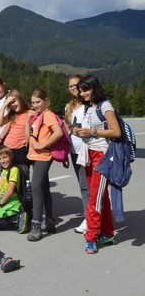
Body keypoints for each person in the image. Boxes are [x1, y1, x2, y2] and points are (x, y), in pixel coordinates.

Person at [72, 75, 121, 254]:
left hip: (102, 155)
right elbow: (91, 131)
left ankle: (91, 237)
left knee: (95, 197)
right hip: (88, 153)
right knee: (101, 196)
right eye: (81, 90)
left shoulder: (105, 105)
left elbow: (116, 131)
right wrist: (80, 132)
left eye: (86, 90)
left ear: (94, 88)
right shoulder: (88, 107)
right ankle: (107, 233)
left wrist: (91, 131)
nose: (83, 94)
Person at [26, 88, 63, 241]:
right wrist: (28, 122)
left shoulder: (47, 115)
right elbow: (28, 138)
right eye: (33, 102)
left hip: (43, 155)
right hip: (36, 155)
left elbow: (58, 132)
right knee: (43, 187)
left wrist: (43, 145)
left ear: (46, 101)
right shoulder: (38, 116)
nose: (35, 105)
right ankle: (49, 221)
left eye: (38, 102)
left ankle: (36, 225)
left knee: (35, 187)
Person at [64, 74, 89, 234]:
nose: (73, 87)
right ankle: (90, 217)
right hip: (75, 152)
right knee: (84, 186)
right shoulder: (69, 107)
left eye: (76, 84)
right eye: (70, 85)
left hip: (90, 150)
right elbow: (67, 131)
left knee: (91, 186)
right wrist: (65, 152)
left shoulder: (90, 104)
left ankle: (92, 218)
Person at [0, 89, 30, 168]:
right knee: (7, 177)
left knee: (20, 176)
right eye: (10, 104)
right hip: (8, 150)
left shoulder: (29, 113)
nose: (13, 105)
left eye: (14, 102)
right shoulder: (12, 115)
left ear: (20, 99)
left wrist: (28, 141)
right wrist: (4, 105)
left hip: (20, 149)